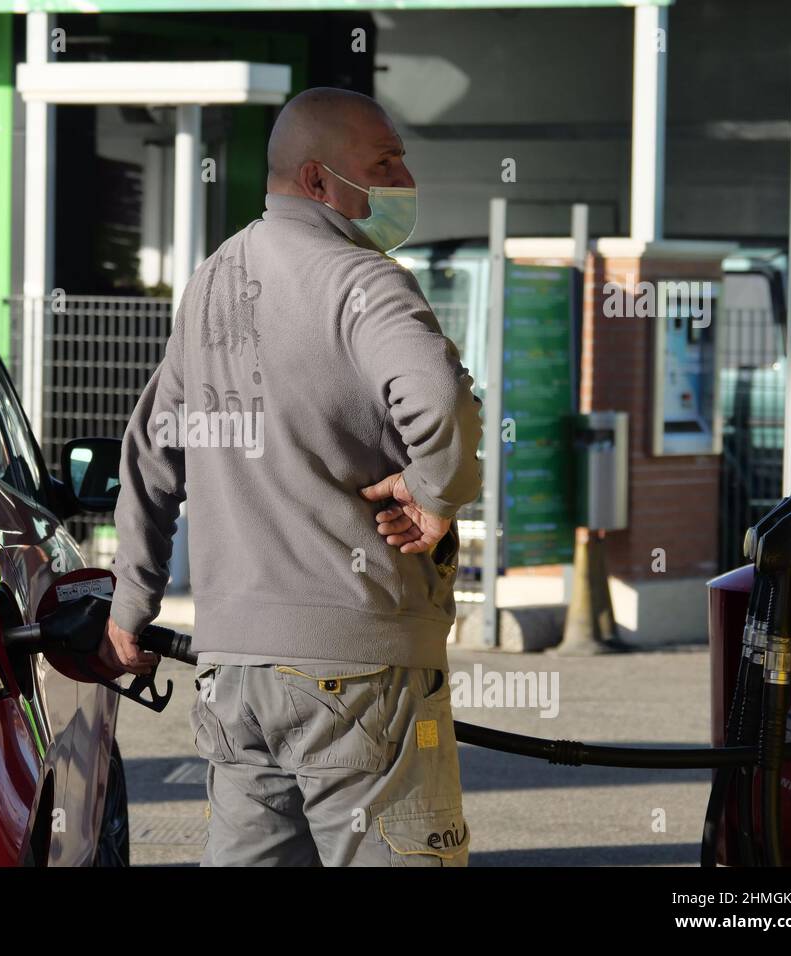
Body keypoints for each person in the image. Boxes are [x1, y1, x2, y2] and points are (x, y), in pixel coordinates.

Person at [101, 87, 483, 866]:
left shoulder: (210, 285)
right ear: (317, 180)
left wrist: (129, 606)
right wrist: (436, 493)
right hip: (359, 666)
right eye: (385, 162)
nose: (404, 176)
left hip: (234, 673)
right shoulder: (362, 282)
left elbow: (149, 450)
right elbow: (439, 398)